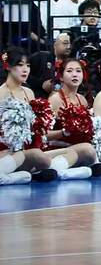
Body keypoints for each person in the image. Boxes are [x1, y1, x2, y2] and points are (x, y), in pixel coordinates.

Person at [0, 47, 56, 185]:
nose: (25, 69)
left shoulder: (29, 93)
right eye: (20, 65)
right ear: (8, 66)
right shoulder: (1, 93)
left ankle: (21, 175)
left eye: (28, 65)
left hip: (27, 148)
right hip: (7, 150)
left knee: (76, 152)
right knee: (38, 157)